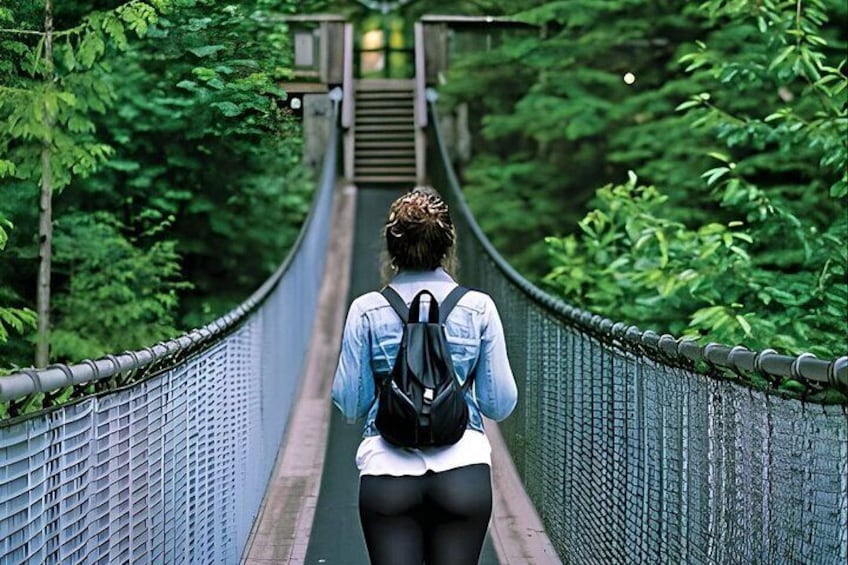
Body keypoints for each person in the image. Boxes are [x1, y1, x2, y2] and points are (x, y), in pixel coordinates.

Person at [331, 187, 518, 565]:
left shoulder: (366, 310)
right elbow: (499, 404)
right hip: (464, 471)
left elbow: (351, 403)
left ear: (391, 248)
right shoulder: (478, 308)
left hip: (387, 471)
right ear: (447, 247)